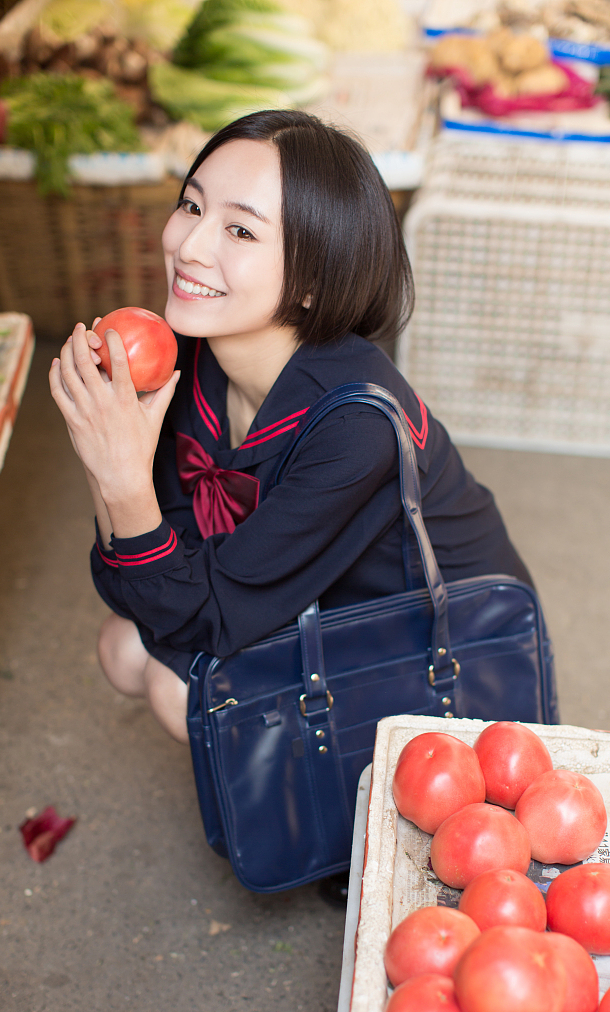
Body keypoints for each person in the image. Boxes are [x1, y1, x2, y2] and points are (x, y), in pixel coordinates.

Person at [50, 108, 532, 763]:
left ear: (310, 281)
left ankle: (349, 833)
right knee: (125, 647)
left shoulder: (356, 424)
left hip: (446, 665)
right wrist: (106, 454)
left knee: (173, 682)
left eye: (240, 229)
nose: (190, 246)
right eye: (191, 206)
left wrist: (122, 478)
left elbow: (204, 621)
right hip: (317, 609)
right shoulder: (194, 359)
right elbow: (154, 583)